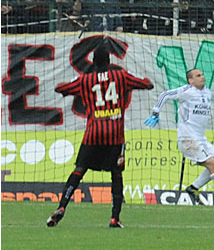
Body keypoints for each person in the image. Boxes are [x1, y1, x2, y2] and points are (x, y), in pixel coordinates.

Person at [47, 45, 154, 228]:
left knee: (79, 170)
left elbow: (60, 88)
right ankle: (114, 218)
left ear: (94, 63)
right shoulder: (121, 76)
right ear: (110, 61)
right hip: (115, 135)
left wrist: (77, 81)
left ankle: (62, 207)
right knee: (116, 174)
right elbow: (148, 84)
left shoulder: (85, 80)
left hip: (93, 133)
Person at [144, 69, 214, 206]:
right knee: (212, 164)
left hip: (201, 138)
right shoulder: (187, 91)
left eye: (202, 74)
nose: (202, 77)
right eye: (198, 76)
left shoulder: (207, 92)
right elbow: (165, 94)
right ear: (190, 80)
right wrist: (155, 112)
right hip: (188, 139)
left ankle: (193, 188)